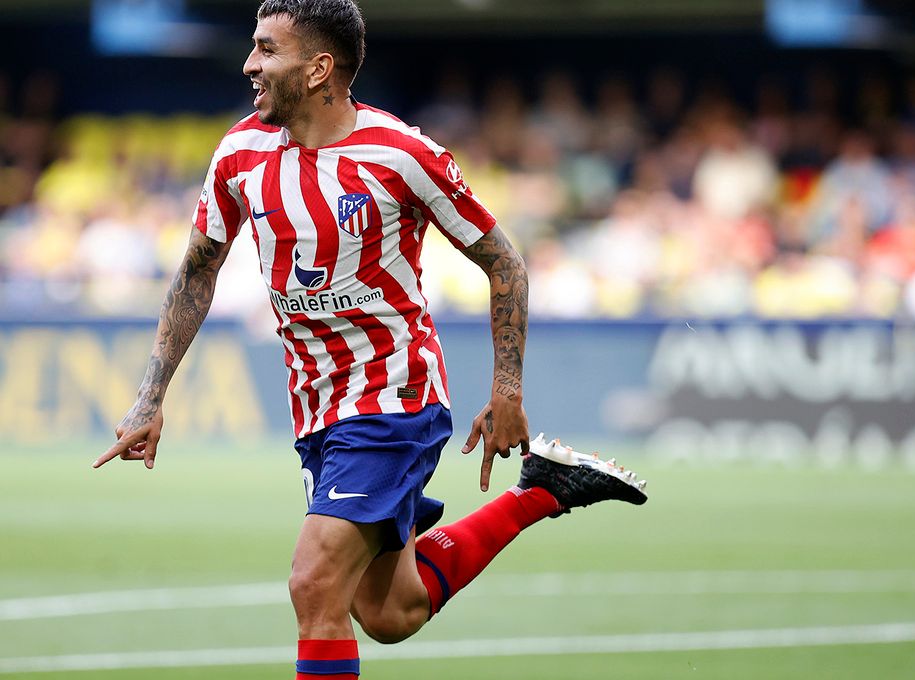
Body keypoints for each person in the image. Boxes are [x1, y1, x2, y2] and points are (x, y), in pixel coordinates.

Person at [92, 1, 647, 677]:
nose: (249, 65)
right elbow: (197, 270)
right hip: (317, 407)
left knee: (314, 583)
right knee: (389, 612)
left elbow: (503, 262)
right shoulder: (239, 154)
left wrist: (507, 389)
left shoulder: (402, 155)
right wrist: (151, 397)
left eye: (267, 50)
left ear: (320, 68)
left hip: (393, 395)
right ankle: (544, 490)